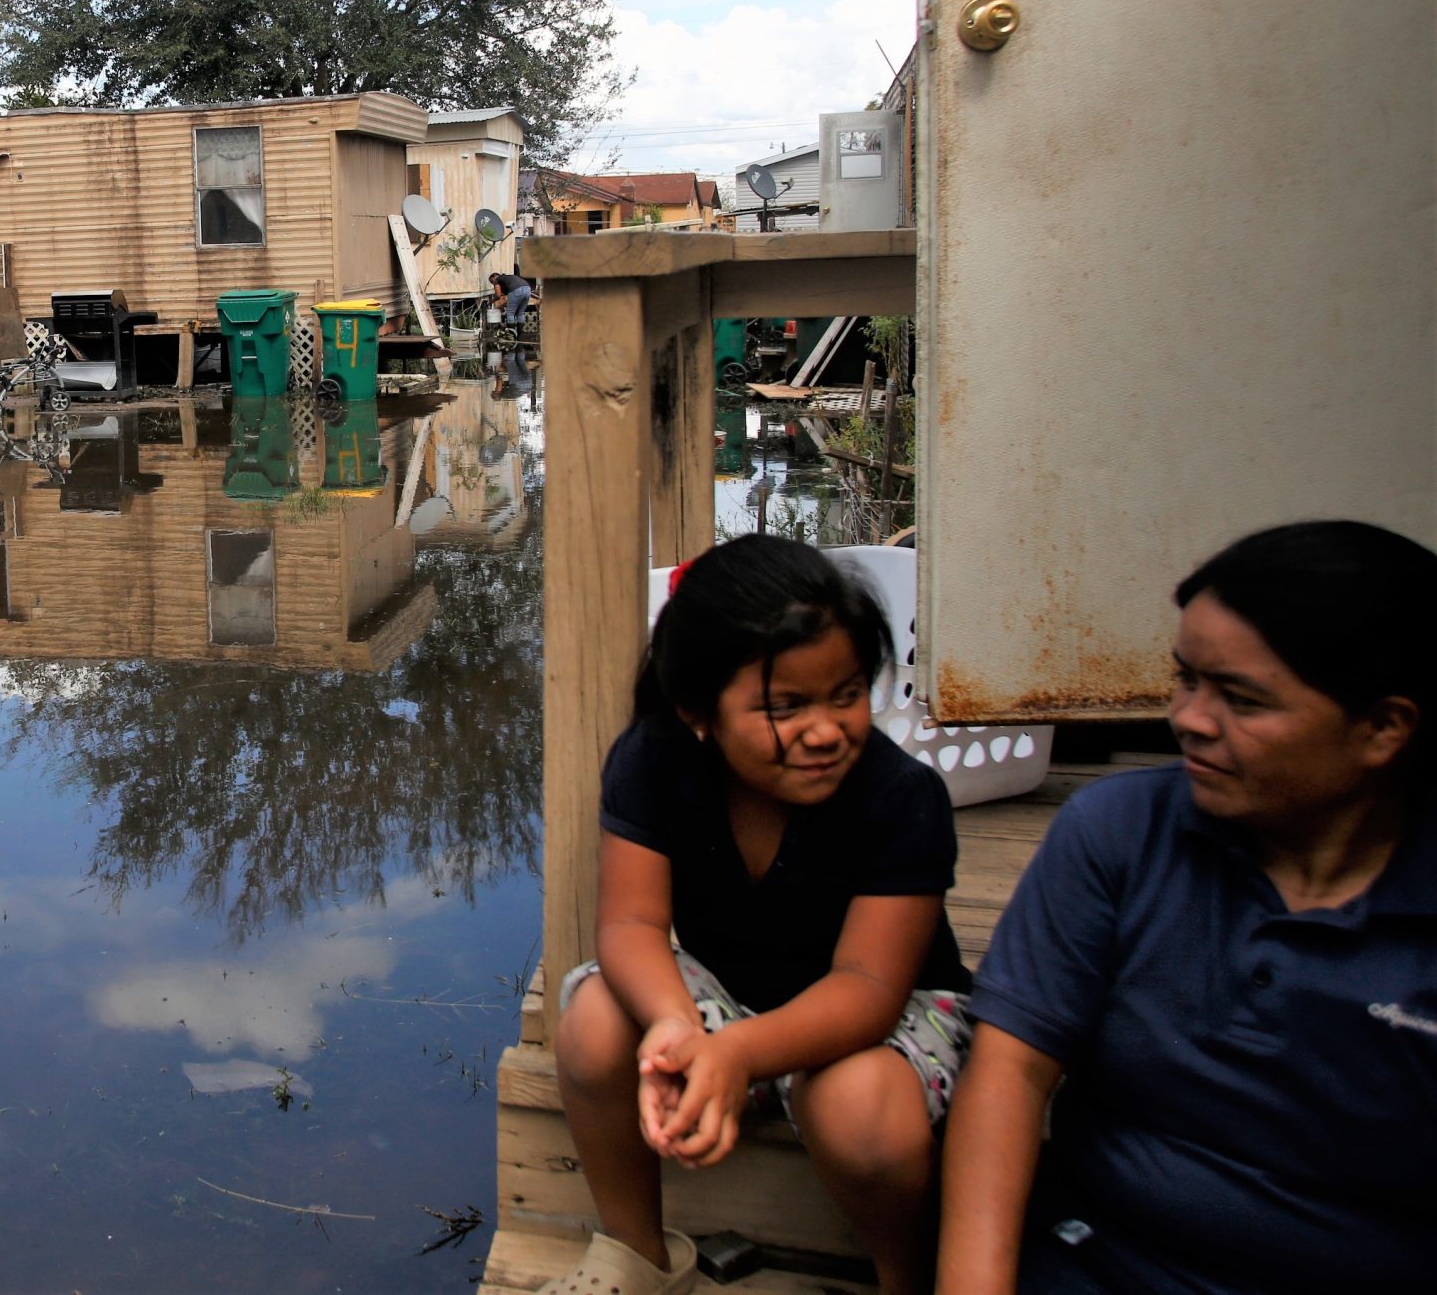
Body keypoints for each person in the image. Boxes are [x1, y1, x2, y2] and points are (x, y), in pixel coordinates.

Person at [936, 521, 1436, 1295]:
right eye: (1186, 679)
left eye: (1241, 699)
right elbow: (1009, 1069)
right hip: (1098, 1259)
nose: (1188, 719)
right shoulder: (1120, 832)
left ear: (1382, 728)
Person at [553, 536, 969, 1295]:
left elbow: (868, 987)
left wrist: (738, 1052)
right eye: (784, 707)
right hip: (734, 999)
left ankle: (907, 1279)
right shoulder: (654, 757)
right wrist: (679, 1026)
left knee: (856, 1105)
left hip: (882, 1020)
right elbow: (632, 926)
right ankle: (636, 1256)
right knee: (595, 1017)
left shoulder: (900, 797)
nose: (825, 730)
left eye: (846, 693)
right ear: (698, 711)